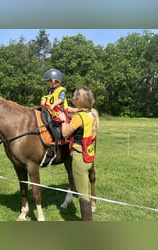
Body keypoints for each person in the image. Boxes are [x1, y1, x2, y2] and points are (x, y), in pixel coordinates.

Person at [58, 87, 99, 221]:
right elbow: (77, 112)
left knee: (83, 195)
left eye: (74, 96)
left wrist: (64, 119)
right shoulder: (91, 114)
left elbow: (65, 133)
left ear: (79, 100)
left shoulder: (78, 117)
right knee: (84, 189)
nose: (72, 98)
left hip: (79, 156)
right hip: (88, 155)